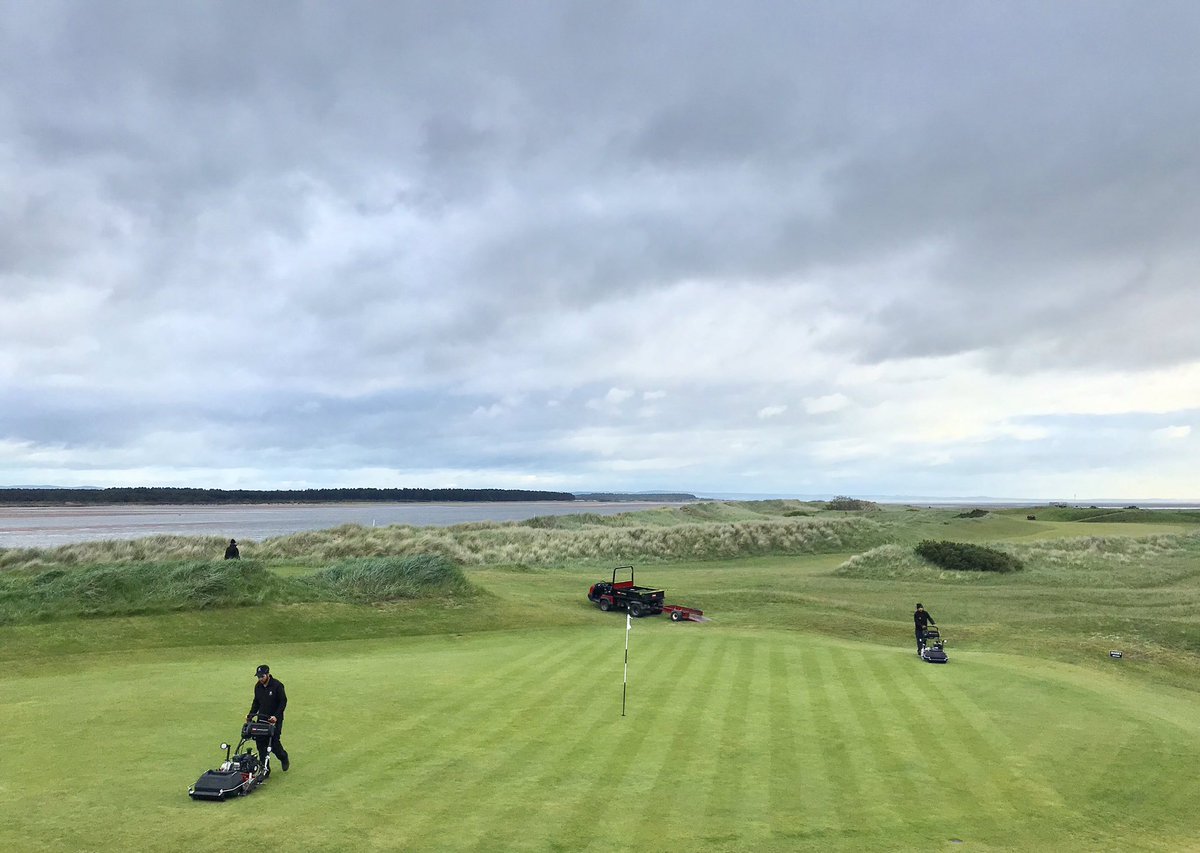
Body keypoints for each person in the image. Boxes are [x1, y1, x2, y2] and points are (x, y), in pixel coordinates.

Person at [247, 664, 290, 771]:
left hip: (275, 720)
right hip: (261, 718)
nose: (260, 679)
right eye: (259, 677)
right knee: (260, 743)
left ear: (268, 674)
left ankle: (283, 757)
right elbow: (256, 702)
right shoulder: (258, 687)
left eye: (262, 676)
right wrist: (251, 715)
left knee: (274, 743)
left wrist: (276, 716)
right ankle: (265, 769)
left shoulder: (277, 686)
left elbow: (283, 702)